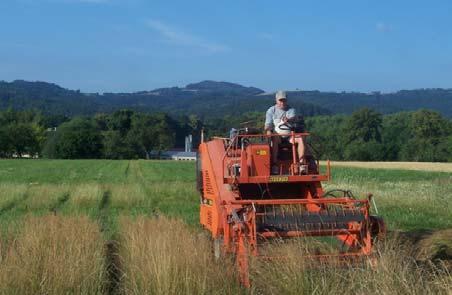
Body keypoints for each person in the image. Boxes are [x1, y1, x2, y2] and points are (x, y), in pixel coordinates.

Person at [264, 90, 306, 174]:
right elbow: (267, 125)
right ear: (276, 100)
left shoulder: (291, 110)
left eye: (284, 100)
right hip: (278, 135)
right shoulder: (271, 111)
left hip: (290, 135)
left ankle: (301, 163)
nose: (283, 102)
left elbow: (293, 119)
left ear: (287, 100)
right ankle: (274, 164)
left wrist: (289, 120)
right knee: (273, 137)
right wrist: (269, 129)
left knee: (300, 139)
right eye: (281, 100)